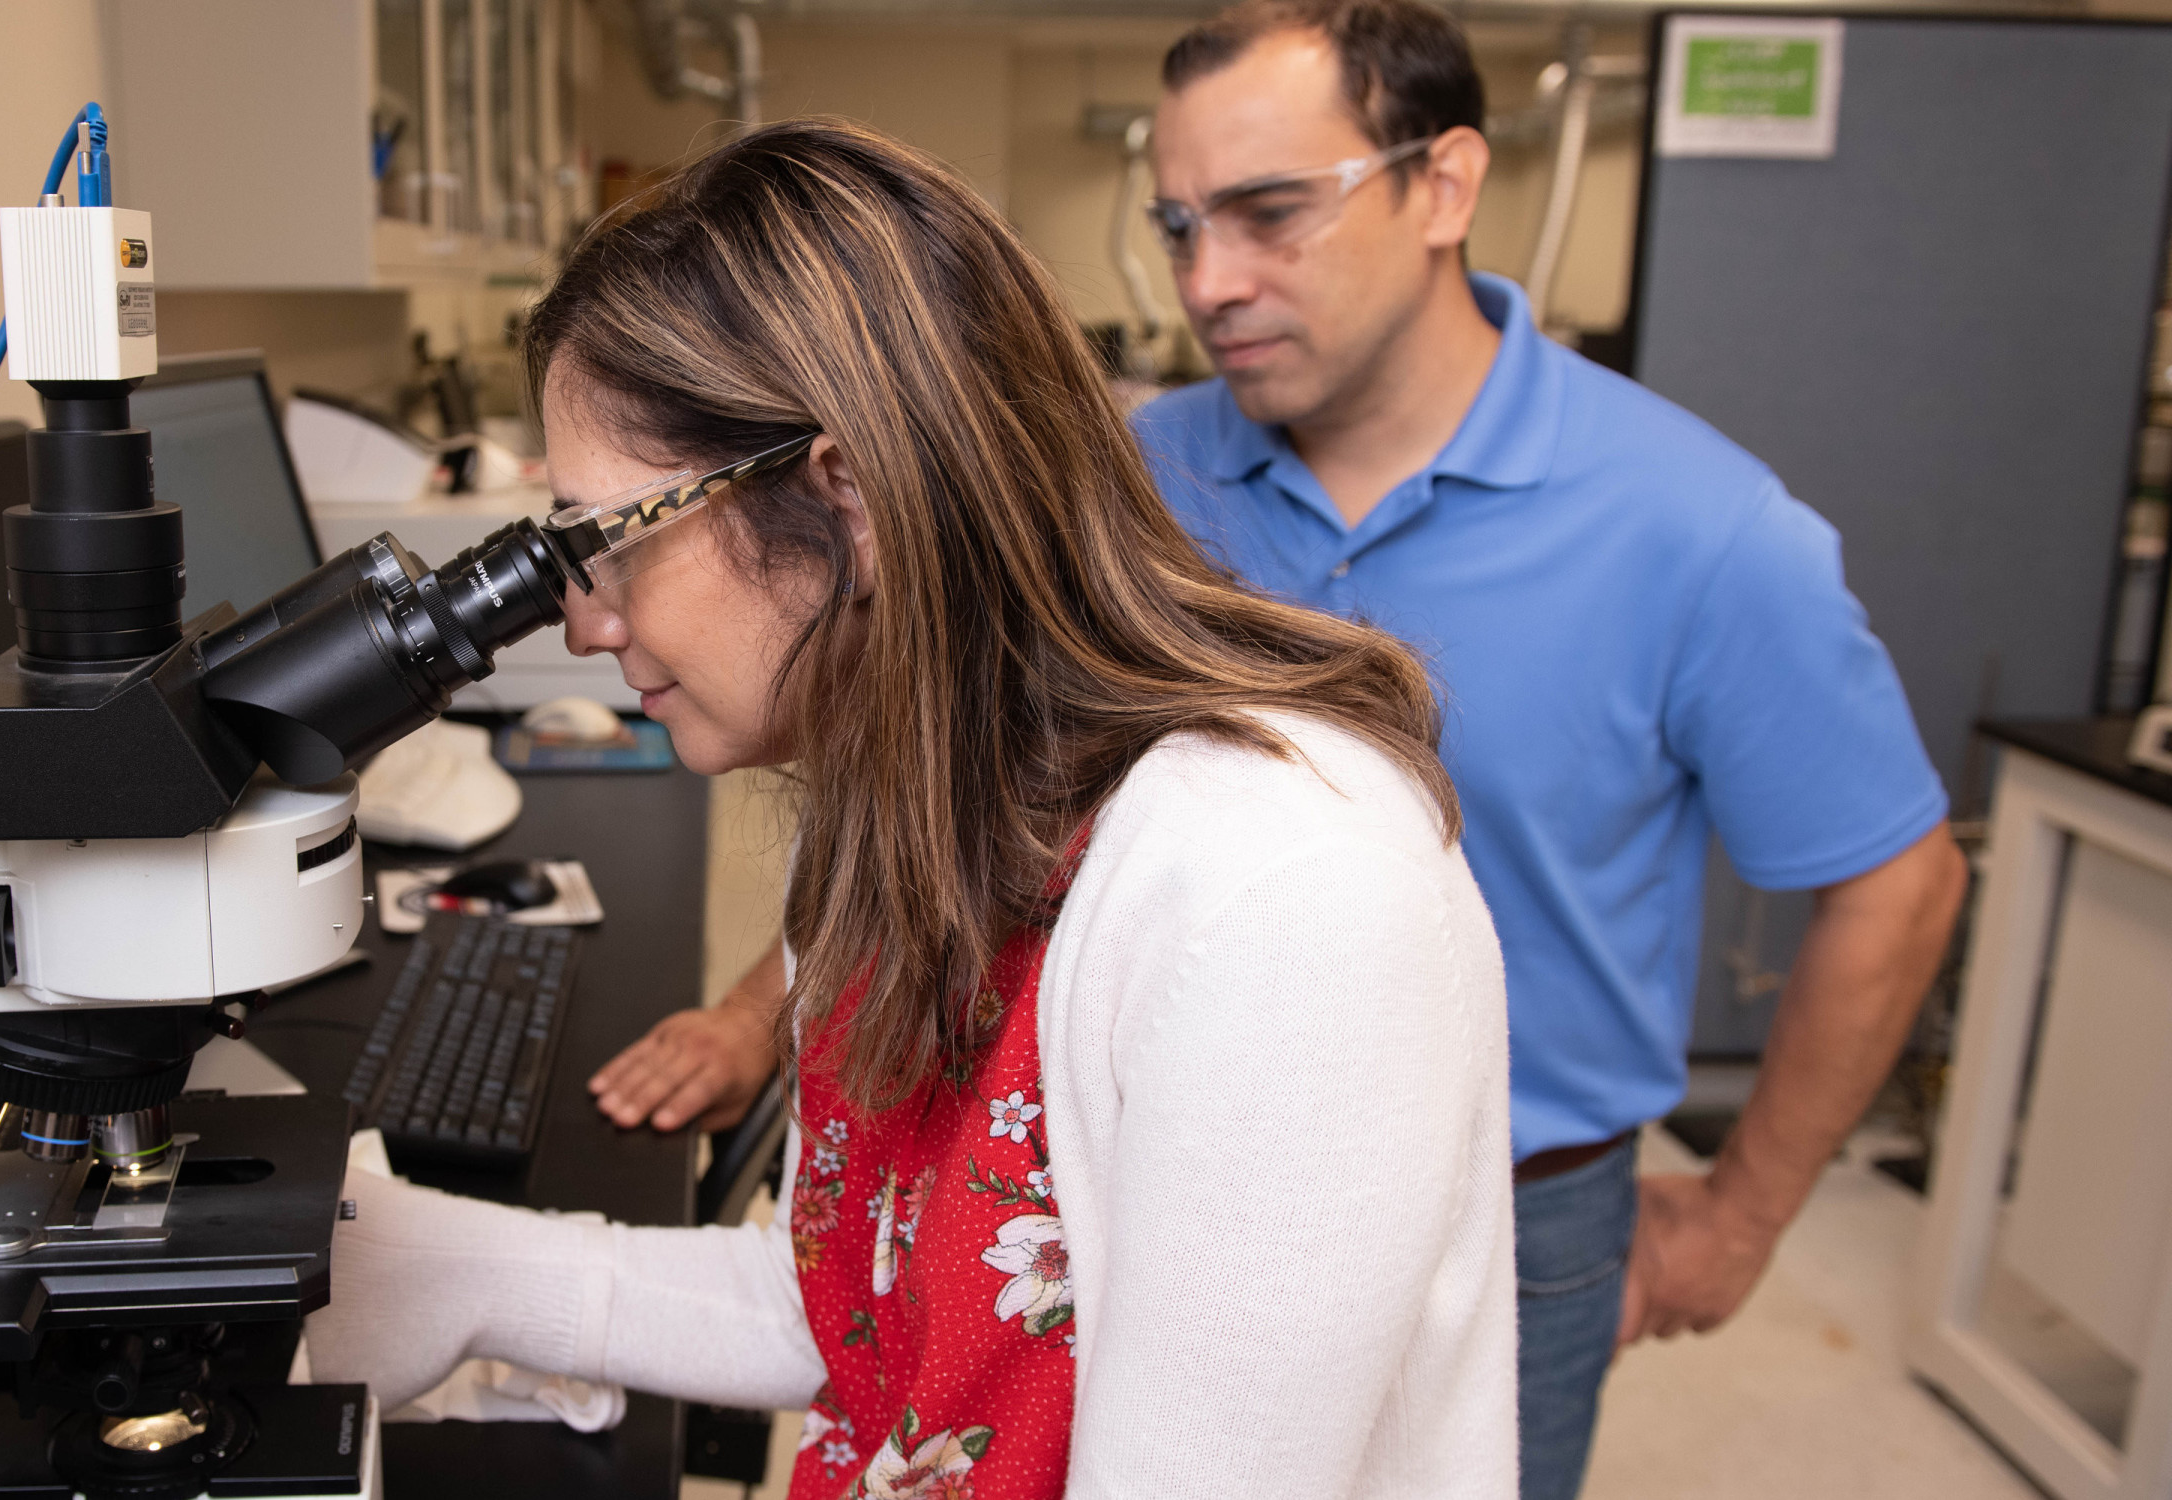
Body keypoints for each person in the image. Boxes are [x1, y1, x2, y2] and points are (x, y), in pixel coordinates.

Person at [306, 118, 1519, 1497]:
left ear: (854, 496)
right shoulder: (903, 805)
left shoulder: (1280, 897)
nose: (582, 624)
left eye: (602, 545)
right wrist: (456, 1268)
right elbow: (858, 1314)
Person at [1125, 3, 1971, 1498]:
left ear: (1444, 184)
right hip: (1149, 1171)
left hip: (1515, 1226)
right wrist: (762, 1015)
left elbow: (1897, 887)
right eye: (1181, 225)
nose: (1209, 282)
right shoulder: (1140, 479)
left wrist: (1738, 1217)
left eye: (1268, 215)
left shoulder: (1699, 528)